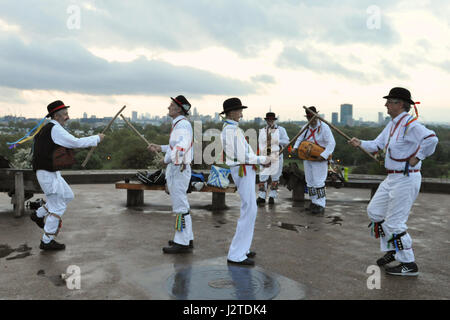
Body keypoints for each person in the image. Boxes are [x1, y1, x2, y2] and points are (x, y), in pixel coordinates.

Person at [348, 87, 438, 276]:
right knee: (374, 212)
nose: (386, 105)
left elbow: (431, 139)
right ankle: (393, 250)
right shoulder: (392, 125)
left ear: (400, 104)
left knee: (395, 223)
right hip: (392, 177)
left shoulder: (411, 124)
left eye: (389, 102)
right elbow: (377, 144)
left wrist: (418, 157)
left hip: (406, 178)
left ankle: (409, 263)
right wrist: (360, 144)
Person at [30, 100, 104, 250]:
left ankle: (38, 214)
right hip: (47, 175)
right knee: (58, 207)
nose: (67, 117)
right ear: (56, 116)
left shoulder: (50, 128)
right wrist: (97, 138)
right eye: (65, 115)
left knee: (68, 196)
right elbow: (75, 142)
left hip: (51, 173)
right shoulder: (55, 129)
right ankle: (47, 241)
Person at [220, 97, 272, 266]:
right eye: (239, 110)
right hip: (242, 169)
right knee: (249, 210)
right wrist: (263, 159)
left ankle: (243, 249)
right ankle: (236, 254)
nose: (242, 113)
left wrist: (261, 159)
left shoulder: (233, 129)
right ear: (232, 112)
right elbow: (243, 156)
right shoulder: (230, 130)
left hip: (245, 169)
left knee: (250, 209)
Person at [148, 95, 194, 254]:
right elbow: (174, 146)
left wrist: (165, 160)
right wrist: (160, 148)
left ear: (178, 109)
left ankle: (181, 242)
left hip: (178, 169)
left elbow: (180, 148)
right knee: (182, 204)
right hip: (179, 168)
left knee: (180, 206)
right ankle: (187, 238)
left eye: (171, 105)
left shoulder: (182, 126)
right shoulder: (181, 125)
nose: (168, 107)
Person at [292, 106, 336, 214]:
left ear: (316, 116)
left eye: (312, 117)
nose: (311, 120)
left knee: (319, 182)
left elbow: (331, 143)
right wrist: (295, 147)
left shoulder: (324, 127)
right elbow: (299, 138)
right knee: (310, 182)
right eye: (309, 117)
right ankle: (313, 202)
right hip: (307, 157)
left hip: (320, 159)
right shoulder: (305, 128)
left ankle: (320, 204)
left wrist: (324, 155)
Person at [257, 112, 289, 205]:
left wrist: (275, 141)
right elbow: (260, 144)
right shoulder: (262, 130)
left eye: (271, 119)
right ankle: (261, 197)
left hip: (277, 155)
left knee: (275, 177)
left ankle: (272, 196)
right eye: (268, 120)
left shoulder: (281, 129)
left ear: (274, 120)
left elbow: (286, 141)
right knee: (263, 177)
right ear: (266, 120)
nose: (270, 121)